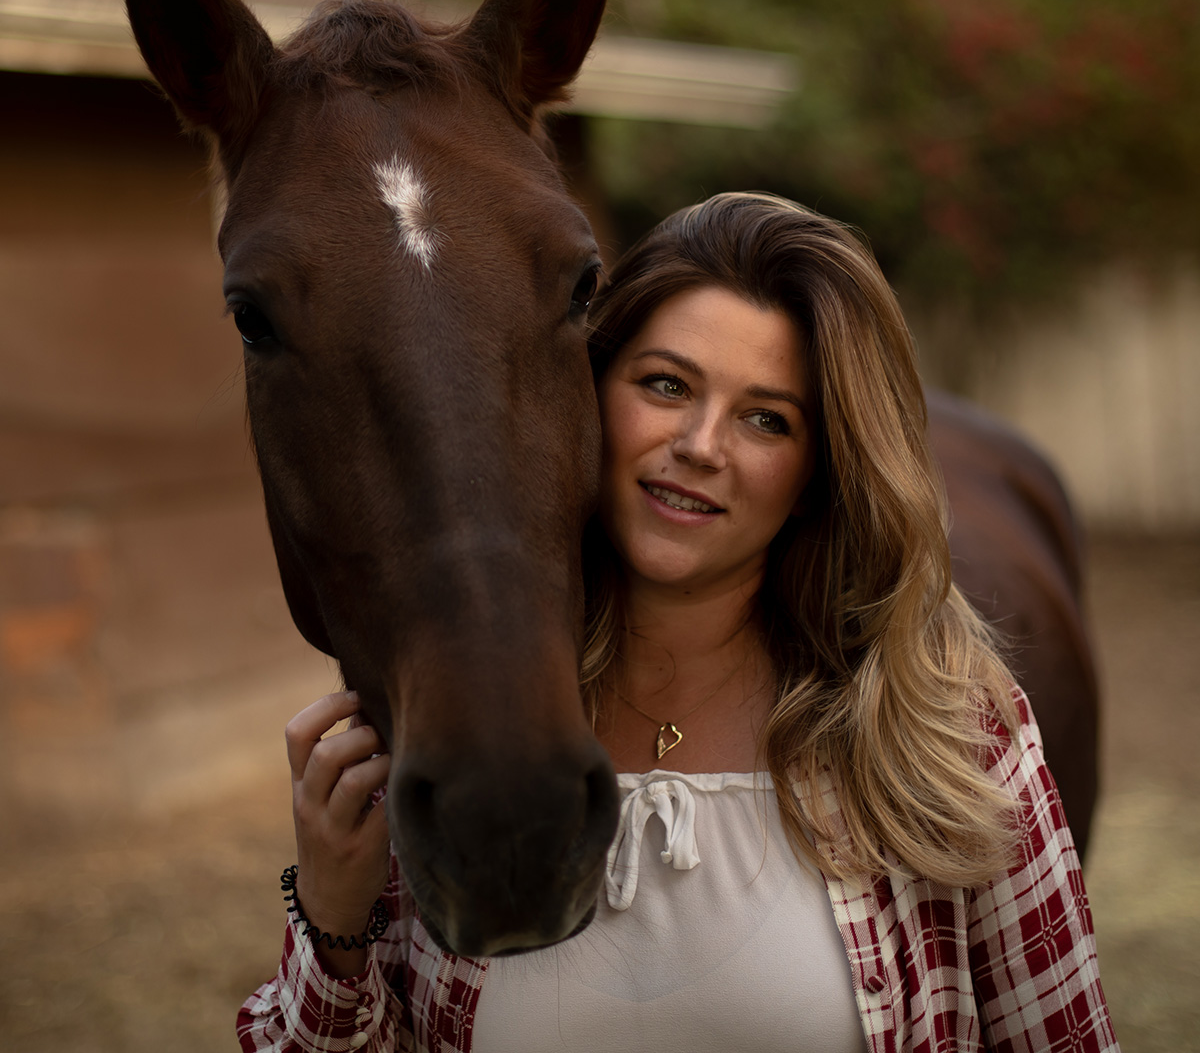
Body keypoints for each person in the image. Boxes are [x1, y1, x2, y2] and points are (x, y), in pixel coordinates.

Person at [238, 192, 1118, 1052]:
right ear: (581, 393)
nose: (701, 445)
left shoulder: (956, 733)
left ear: (819, 469)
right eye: (666, 384)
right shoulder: (460, 723)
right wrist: (332, 918)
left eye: (766, 420)